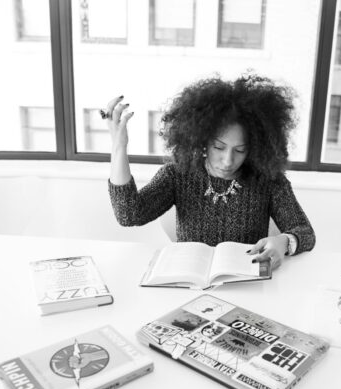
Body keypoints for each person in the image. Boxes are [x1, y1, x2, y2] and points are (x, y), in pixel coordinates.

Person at [104, 73, 315, 269]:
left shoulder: (268, 181)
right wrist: (119, 147)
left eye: (240, 150)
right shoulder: (178, 174)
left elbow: (305, 233)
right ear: (202, 140)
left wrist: (284, 241)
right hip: (190, 283)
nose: (228, 160)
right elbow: (128, 214)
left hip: (246, 283)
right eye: (219, 147)